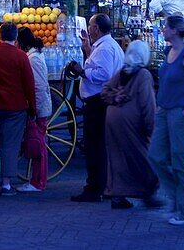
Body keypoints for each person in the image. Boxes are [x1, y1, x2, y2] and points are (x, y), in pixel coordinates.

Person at [149, 14, 184, 227]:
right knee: (156, 155)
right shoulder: (168, 52)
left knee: (180, 160)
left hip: (182, 111)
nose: (163, 29)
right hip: (165, 110)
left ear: (174, 30)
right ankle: (176, 198)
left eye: (165, 27)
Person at [68, 13, 124, 203]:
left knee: (95, 147)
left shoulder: (106, 48)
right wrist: (87, 51)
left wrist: (82, 71)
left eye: (91, 25)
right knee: (99, 146)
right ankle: (102, 185)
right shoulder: (104, 46)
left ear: (97, 28)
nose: (88, 29)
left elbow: (104, 73)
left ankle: (94, 188)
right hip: (100, 101)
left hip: (98, 102)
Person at [0, 22, 36, 196]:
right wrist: (32, 108)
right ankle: (6, 184)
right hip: (15, 107)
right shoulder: (21, 56)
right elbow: (29, 85)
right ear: (15, 37)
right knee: (10, 145)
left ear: (0, 35)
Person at [102, 40, 161, 209]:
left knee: (118, 157)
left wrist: (114, 98)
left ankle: (118, 195)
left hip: (113, 119)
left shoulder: (123, 72)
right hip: (131, 123)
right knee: (144, 158)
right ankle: (148, 192)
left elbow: (105, 90)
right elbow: (147, 103)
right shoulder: (143, 75)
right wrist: (151, 127)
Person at [16, 26, 52, 193]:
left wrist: (33, 109)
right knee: (37, 143)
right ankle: (37, 180)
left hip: (38, 108)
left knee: (37, 144)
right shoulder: (34, 56)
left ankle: (38, 181)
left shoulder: (33, 59)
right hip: (39, 107)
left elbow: (37, 86)